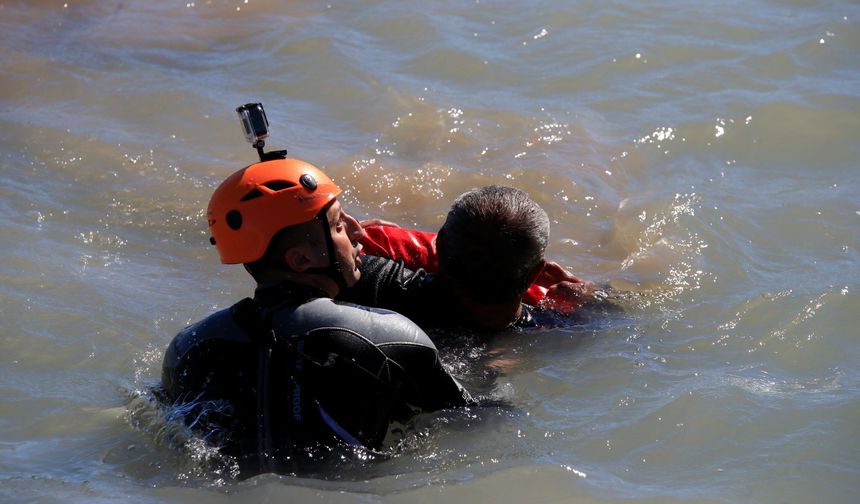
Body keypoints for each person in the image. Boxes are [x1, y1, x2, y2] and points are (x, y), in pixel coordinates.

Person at [160, 158, 471, 476]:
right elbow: (477, 422)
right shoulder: (387, 336)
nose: (357, 230)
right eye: (338, 225)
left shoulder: (189, 347)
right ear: (301, 259)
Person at [342, 185, 602, 331]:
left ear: (438, 245)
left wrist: (344, 232)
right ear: (536, 273)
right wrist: (593, 301)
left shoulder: (373, 277)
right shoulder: (555, 325)